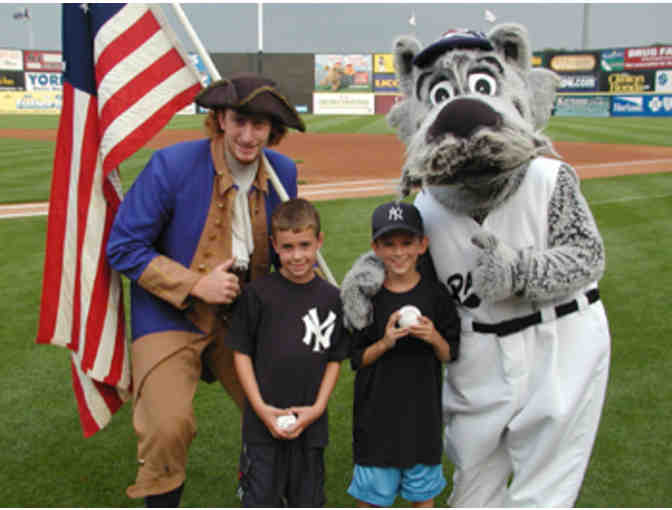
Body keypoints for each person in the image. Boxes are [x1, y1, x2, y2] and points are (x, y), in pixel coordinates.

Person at [106, 72, 306, 507]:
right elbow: (123, 247)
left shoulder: (282, 173)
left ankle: (258, 488)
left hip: (244, 318)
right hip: (169, 315)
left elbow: (286, 251)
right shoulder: (172, 165)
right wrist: (195, 283)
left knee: (281, 411)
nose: (248, 136)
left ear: (273, 129)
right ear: (219, 119)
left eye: (259, 125)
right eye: (239, 122)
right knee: (167, 426)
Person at [224, 198, 350, 507]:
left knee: (307, 500)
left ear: (319, 241)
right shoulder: (257, 295)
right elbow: (241, 354)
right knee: (261, 499)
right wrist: (260, 408)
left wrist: (318, 408)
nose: (297, 256)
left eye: (305, 245)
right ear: (274, 245)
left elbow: (334, 359)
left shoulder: (332, 299)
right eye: (288, 247)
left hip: (311, 427)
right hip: (262, 427)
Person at [346, 201, 460, 508]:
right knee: (371, 500)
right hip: (376, 422)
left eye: (407, 243)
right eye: (389, 244)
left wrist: (433, 336)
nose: (399, 252)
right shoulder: (366, 297)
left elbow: (449, 354)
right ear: (375, 247)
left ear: (422, 245)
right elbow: (356, 359)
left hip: (422, 423)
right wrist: (385, 343)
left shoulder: (436, 295)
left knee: (422, 499)